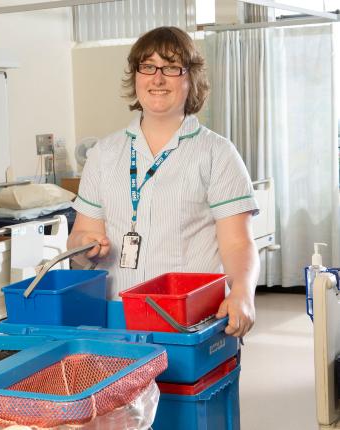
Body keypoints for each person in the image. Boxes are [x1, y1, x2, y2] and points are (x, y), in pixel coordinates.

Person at [67, 26, 260, 338]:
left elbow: (238, 244)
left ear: (190, 78)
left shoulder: (216, 153)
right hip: (119, 316)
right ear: (136, 76)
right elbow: (82, 235)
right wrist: (82, 248)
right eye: (147, 66)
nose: (157, 78)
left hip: (191, 317)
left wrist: (242, 293)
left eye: (171, 67)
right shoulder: (104, 153)